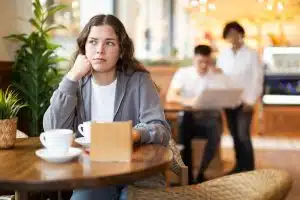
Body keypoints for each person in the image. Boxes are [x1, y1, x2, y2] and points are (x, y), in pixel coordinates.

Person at [43, 14, 171, 200]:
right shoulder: (76, 83)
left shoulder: (139, 81)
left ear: (121, 50)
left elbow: (161, 129)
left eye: (109, 43)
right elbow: (52, 128)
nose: (99, 50)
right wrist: (71, 76)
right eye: (93, 42)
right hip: (92, 175)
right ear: (83, 48)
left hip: (138, 173)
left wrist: (134, 134)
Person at [166, 45, 233, 184]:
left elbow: (229, 95)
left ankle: (200, 173)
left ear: (211, 60)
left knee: (215, 132)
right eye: (200, 62)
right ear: (194, 59)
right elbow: (170, 96)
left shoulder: (216, 75)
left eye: (207, 62)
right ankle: (188, 176)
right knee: (184, 130)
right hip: (189, 116)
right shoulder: (183, 73)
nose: (203, 65)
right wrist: (189, 101)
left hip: (209, 118)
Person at [217, 21, 263, 173]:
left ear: (241, 35)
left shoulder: (251, 53)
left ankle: (249, 169)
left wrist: (251, 100)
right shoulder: (224, 54)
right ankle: (239, 166)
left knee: (243, 135)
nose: (233, 37)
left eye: (235, 33)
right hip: (229, 101)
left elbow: (258, 78)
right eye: (229, 34)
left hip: (245, 102)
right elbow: (221, 77)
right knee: (234, 135)